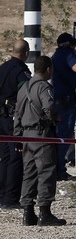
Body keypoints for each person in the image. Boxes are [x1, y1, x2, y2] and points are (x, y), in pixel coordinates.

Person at [14, 56, 66, 226]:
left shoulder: (24, 88)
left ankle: (28, 212)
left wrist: (17, 138)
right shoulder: (44, 87)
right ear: (48, 69)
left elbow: (17, 115)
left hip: (26, 136)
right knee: (46, 172)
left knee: (28, 173)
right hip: (42, 135)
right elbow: (49, 107)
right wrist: (56, 118)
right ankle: (45, 212)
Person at [0, 39, 31, 210]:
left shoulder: (2, 68)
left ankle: (2, 195)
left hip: (1, 118)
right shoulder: (21, 71)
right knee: (15, 157)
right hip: (11, 118)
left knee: (4, 157)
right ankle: (10, 198)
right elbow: (27, 94)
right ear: (26, 53)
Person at [51, 32, 76, 181]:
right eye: (72, 44)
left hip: (59, 98)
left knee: (59, 135)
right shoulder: (67, 53)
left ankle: (57, 168)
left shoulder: (56, 55)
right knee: (65, 135)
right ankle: (60, 170)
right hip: (66, 99)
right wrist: (75, 54)